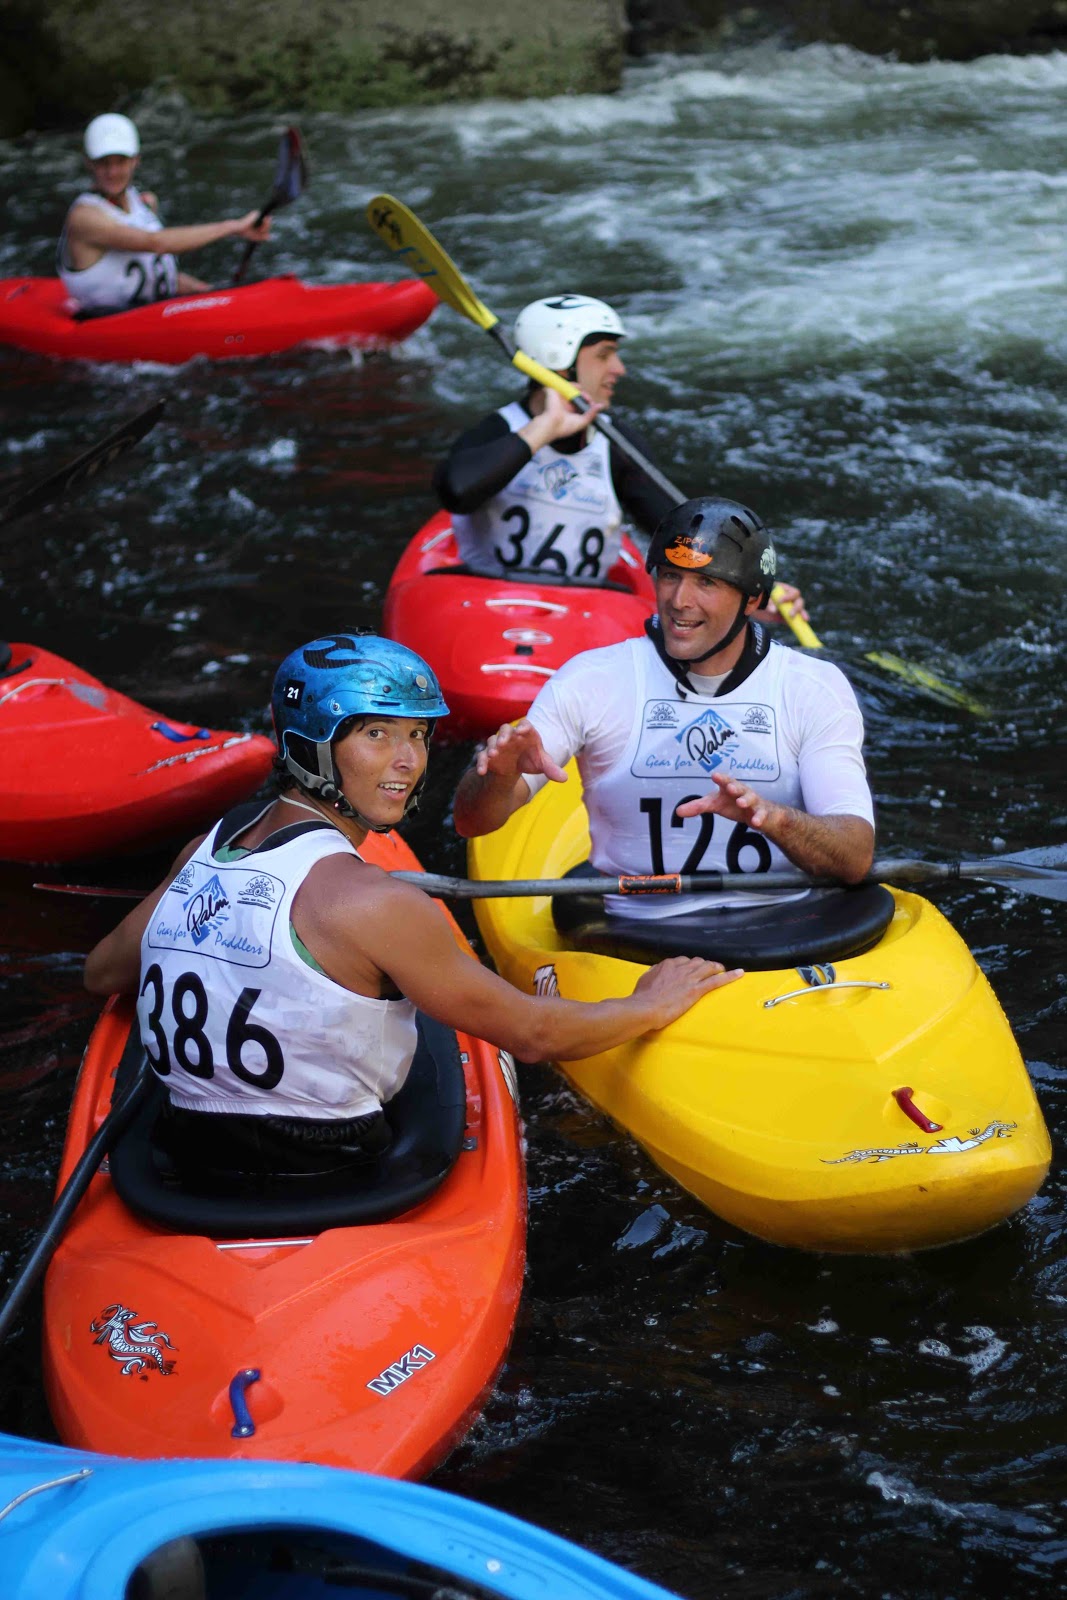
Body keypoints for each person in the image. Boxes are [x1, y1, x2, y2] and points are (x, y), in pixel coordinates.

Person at [83, 634, 741, 1185]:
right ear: (312, 745)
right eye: (376, 734)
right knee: (427, 1024)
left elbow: (103, 973)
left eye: (418, 735)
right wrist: (648, 1004)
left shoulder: (204, 851)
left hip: (185, 1152)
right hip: (328, 1165)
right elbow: (534, 1035)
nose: (407, 762)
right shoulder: (378, 903)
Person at [453, 498, 875, 922]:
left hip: (783, 921)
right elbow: (473, 822)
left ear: (753, 599)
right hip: (638, 930)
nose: (679, 600)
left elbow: (854, 855)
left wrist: (775, 819)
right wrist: (496, 778)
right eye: (670, 576)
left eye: (706, 583)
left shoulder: (813, 687)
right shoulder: (591, 679)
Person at [432, 292, 805, 625]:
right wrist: (545, 428)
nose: (619, 369)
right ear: (560, 364)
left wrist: (748, 592)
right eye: (604, 355)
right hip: (486, 605)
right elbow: (456, 492)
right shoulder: (499, 431)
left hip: (581, 614)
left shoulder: (614, 442)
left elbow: (676, 533)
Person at [57, 113, 271, 313]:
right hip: (105, 323)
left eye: (120, 162)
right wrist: (234, 227)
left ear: (135, 160)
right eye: (103, 163)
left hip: (148, 314)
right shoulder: (84, 217)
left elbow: (153, 273)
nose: (112, 172)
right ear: (89, 163)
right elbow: (156, 243)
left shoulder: (140, 202)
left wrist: (209, 293)